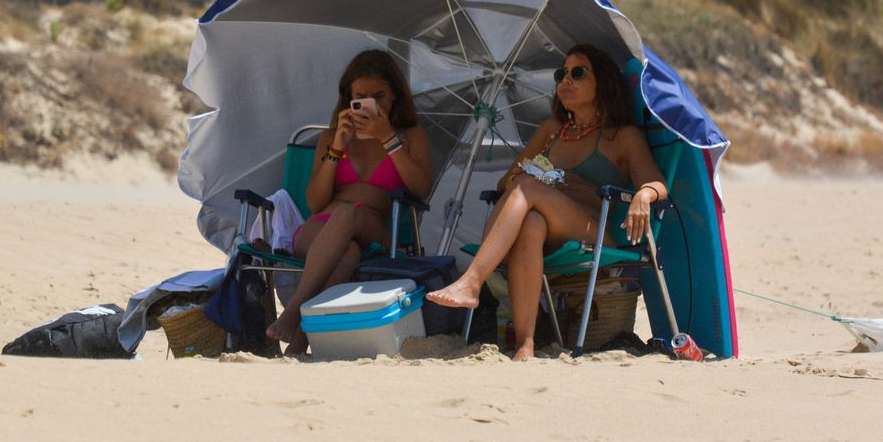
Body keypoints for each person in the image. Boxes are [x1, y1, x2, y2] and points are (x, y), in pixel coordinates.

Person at [427, 43, 666, 361]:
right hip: (546, 224)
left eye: (578, 72)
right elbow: (506, 182)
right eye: (561, 73)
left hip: (591, 231)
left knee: (528, 189)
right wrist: (536, 177)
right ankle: (525, 345)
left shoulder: (621, 136)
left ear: (603, 82)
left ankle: (472, 280)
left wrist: (643, 196)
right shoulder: (553, 131)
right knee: (531, 222)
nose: (565, 80)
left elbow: (657, 182)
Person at [264, 49, 433, 355]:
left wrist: (388, 139)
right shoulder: (332, 137)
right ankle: (303, 336)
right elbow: (315, 204)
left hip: (376, 230)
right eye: (361, 97)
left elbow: (420, 189)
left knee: (347, 215)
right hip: (320, 229)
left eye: (379, 96)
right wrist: (336, 148)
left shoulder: (410, 136)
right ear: (348, 100)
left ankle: (293, 311)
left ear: (395, 95)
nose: (372, 104)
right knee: (347, 252)